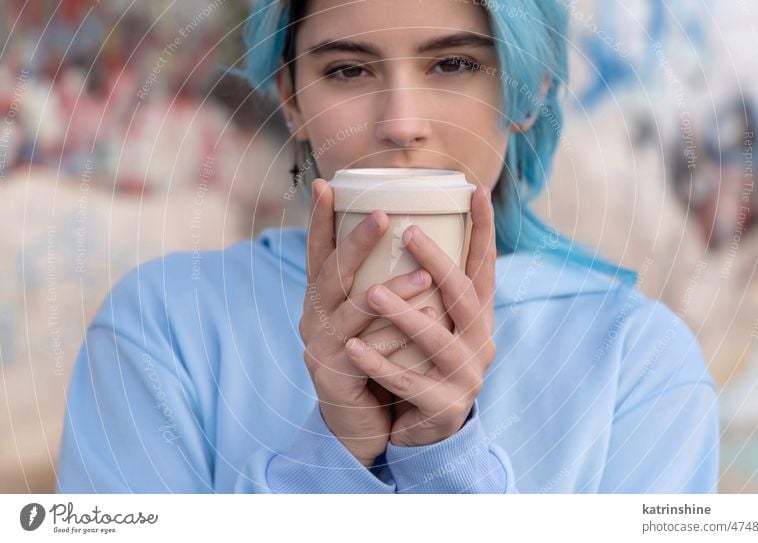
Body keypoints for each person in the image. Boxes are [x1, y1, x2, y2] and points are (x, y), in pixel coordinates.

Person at [57, 0, 719, 493]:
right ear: (290, 99)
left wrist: (446, 458)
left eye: (454, 63)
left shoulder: (638, 363)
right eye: (347, 70)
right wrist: (331, 456)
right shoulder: (159, 327)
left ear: (526, 90)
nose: (401, 122)